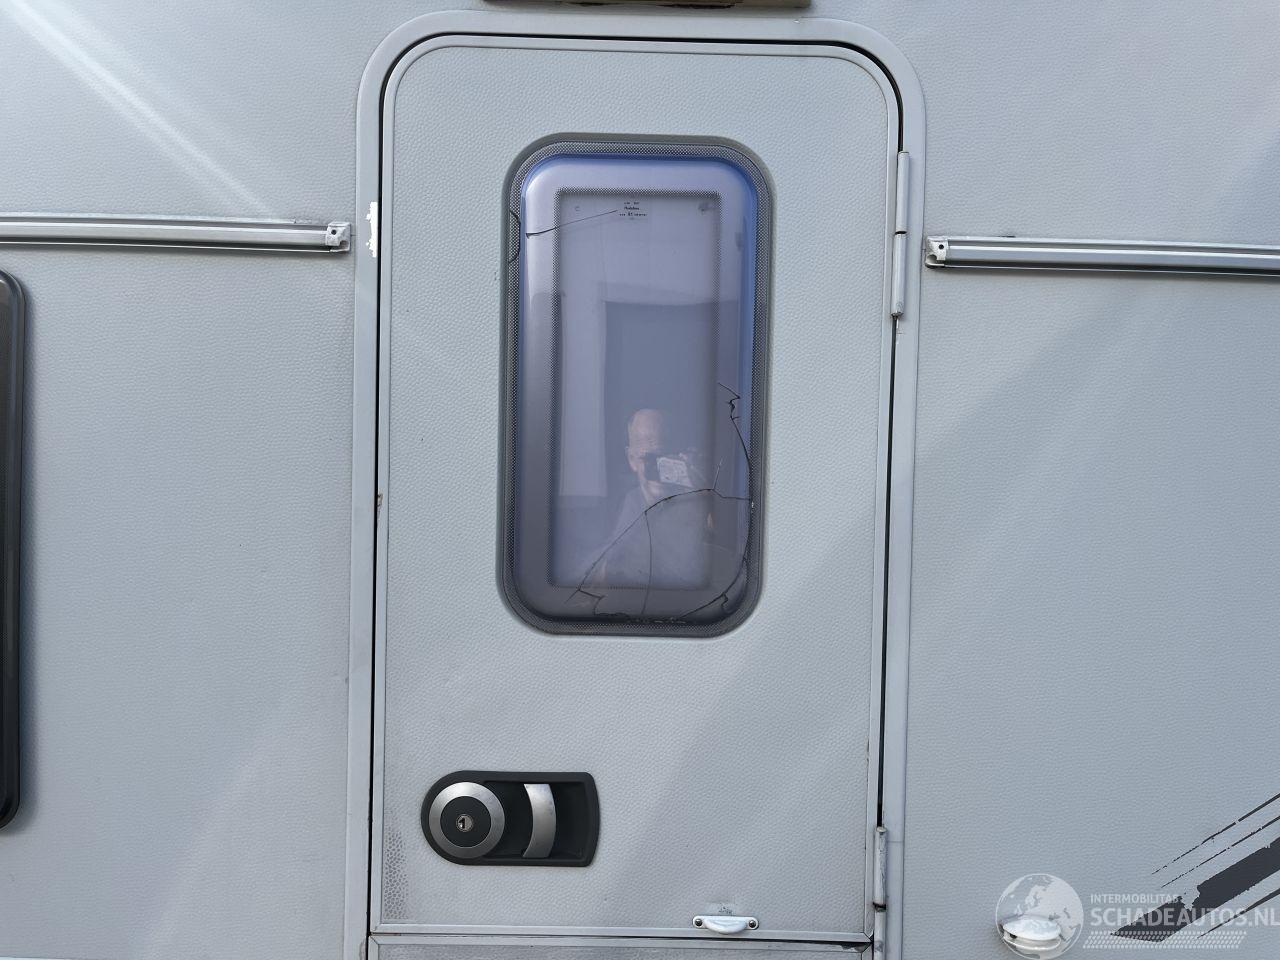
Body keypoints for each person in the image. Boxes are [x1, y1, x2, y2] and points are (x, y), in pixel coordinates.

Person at [588, 408, 711, 591]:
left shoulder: (693, 501)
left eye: (661, 457)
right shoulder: (624, 505)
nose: (654, 470)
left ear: (676, 456)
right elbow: (596, 570)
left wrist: (704, 494)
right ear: (631, 459)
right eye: (647, 459)